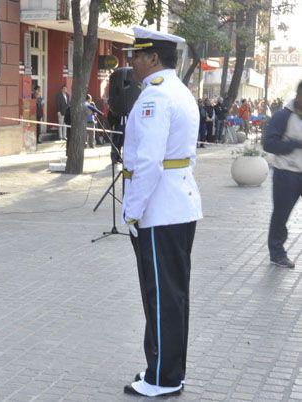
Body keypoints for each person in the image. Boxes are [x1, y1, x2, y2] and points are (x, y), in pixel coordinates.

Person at [121, 27, 202, 397]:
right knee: (173, 295)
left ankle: (162, 378)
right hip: (179, 203)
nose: (131, 62)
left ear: (153, 58)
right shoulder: (180, 91)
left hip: (159, 209)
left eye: (136, 55)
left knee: (160, 296)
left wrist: (131, 211)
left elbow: (150, 163)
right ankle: (167, 368)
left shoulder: (154, 97)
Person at [263, 80, 302, 269]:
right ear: (299, 96)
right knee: (281, 215)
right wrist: (294, 144)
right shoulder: (283, 116)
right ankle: (277, 253)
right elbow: (268, 144)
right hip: (286, 174)